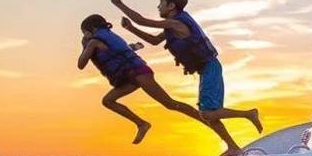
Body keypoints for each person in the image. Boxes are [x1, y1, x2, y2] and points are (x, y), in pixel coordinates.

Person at [111, 0, 261, 156]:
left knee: (208, 113)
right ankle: (233, 147)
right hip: (206, 70)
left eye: (161, 4)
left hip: (210, 67)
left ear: (171, 6)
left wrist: (119, 4)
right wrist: (131, 29)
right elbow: (154, 41)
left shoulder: (176, 23)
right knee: (208, 115)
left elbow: (143, 20)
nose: (158, 7)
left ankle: (248, 114)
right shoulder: (173, 27)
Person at [76, 14, 225, 146]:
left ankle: (209, 123)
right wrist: (134, 46)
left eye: (84, 33)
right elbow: (120, 52)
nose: (84, 36)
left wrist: (86, 45)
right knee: (108, 101)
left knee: (170, 104)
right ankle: (142, 124)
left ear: (92, 30)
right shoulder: (108, 38)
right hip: (129, 76)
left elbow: (81, 64)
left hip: (140, 73)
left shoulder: (93, 42)